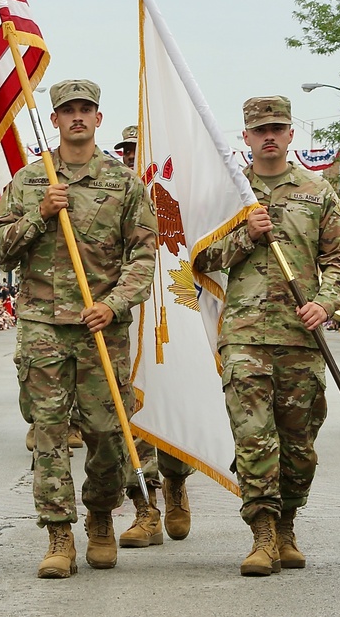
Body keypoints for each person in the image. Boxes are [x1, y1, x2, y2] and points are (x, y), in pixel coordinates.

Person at [0, 80, 158, 580]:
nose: (77, 118)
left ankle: (101, 514)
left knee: (108, 432)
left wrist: (114, 304)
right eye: (68, 111)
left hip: (99, 327)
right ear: (56, 120)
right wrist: (39, 216)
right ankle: (58, 534)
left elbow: (144, 255)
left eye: (86, 110)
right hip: (42, 325)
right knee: (49, 433)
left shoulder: (123, 183)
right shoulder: (29, 181)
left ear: (99, 119)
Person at [194, 95, 340, 576]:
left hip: (300, 338)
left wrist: (325, 304)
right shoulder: (227, 195)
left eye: (278, 128)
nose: (269, 136)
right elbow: (195, 260)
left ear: (290, 135)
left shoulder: (318, 192)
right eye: (260, 129)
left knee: (299, 444)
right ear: (245, 137)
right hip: (242, 336)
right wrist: (245, 235)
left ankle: (288, 524)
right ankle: (262, 534)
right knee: (254, 438)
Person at [112, 123, 195, 549]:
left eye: (137, 151)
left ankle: (176, 482)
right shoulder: (112, 195)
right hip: (125, 313)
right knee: (131, 410)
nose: (131, 157)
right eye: (126, 150)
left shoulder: (173, 196)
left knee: (172, 402)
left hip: (171, 310)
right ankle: (145, 505)